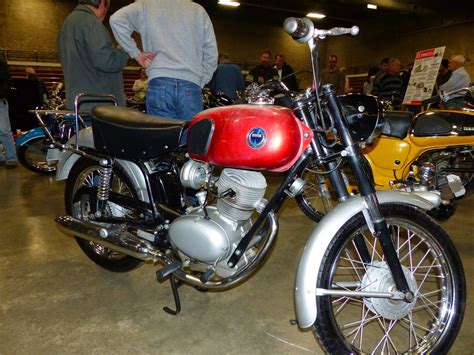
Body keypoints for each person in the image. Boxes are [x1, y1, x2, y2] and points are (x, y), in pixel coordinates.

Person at [110, 0, 218, 120]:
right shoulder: (198, 11)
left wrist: (136, 54)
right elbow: (211, 52)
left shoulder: (146, 6)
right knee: (189, 137)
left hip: (159, 82)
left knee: (161, 137)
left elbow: (116, 20)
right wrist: (200, 81)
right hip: (190, 85)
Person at [57, 0, 130, 109]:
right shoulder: (91, 23)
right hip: (99, 103)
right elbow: (107, 62)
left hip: (78, 102)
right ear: (102, 3)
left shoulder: (67, 23)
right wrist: (124, 51)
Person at [0, 58, 18, 169]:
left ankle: (11, 158)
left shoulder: (2, 66)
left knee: (4, 130)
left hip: (0, 100)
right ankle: (1, 158)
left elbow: (5, 81)